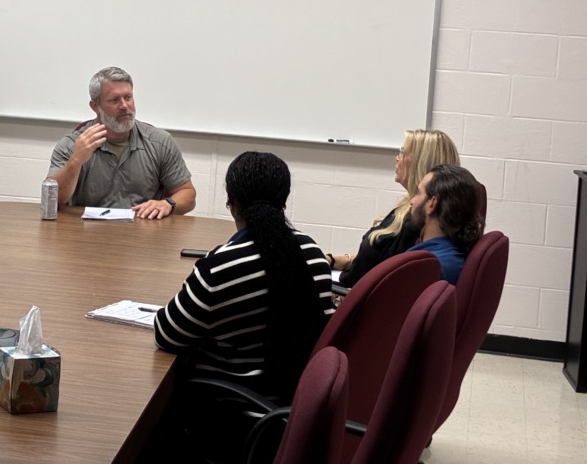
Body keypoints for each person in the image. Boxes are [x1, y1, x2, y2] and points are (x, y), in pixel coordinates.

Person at [154, 151, 334, 401]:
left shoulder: (220, 267)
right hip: (296, 401)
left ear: (231, 203)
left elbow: (166, 334)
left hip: (233, 407)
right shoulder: (313, 252)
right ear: (284, 201)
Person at [47, 66, 195, 219]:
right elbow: (52, 200)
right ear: (95, 106)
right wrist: (76, 161)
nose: (124, 106)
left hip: (143, 233)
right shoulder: (71, 145)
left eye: (128, 97)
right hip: (87, 233)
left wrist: (168, 204)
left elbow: (188, 194)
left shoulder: (159, 142)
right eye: (114, 100)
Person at [328, 129, 460, 288]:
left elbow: (375, 275)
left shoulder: (414, 223)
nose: (397, 158)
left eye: (403, 152)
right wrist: (343, 260)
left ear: (420, 162)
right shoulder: (409, 211)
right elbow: (379, 261)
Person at [408, 164, 484, 284]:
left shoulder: (426, 267)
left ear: (431, 204)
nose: (411, 201)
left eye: (418, 192)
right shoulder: (453, 256)